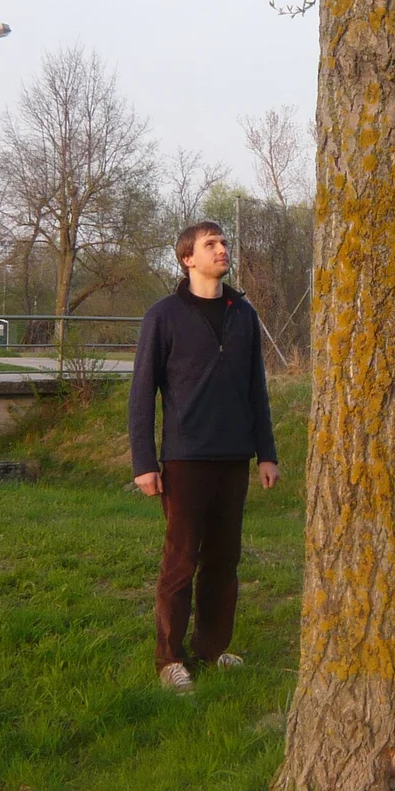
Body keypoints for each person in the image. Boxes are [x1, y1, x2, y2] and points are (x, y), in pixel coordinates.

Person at [128, 223, 279, 694]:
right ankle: (170, 658)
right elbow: (141, 394)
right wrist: (144, 462)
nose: (222, 249)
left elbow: (258, 388)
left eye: (224, 243)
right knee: (180, 562)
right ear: (187, 259)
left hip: (233, 456)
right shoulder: (164, 315)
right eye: (210, 244)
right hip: (184, 458)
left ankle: (212, 648)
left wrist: (266, 454)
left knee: (224, 561)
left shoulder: (243, 314)